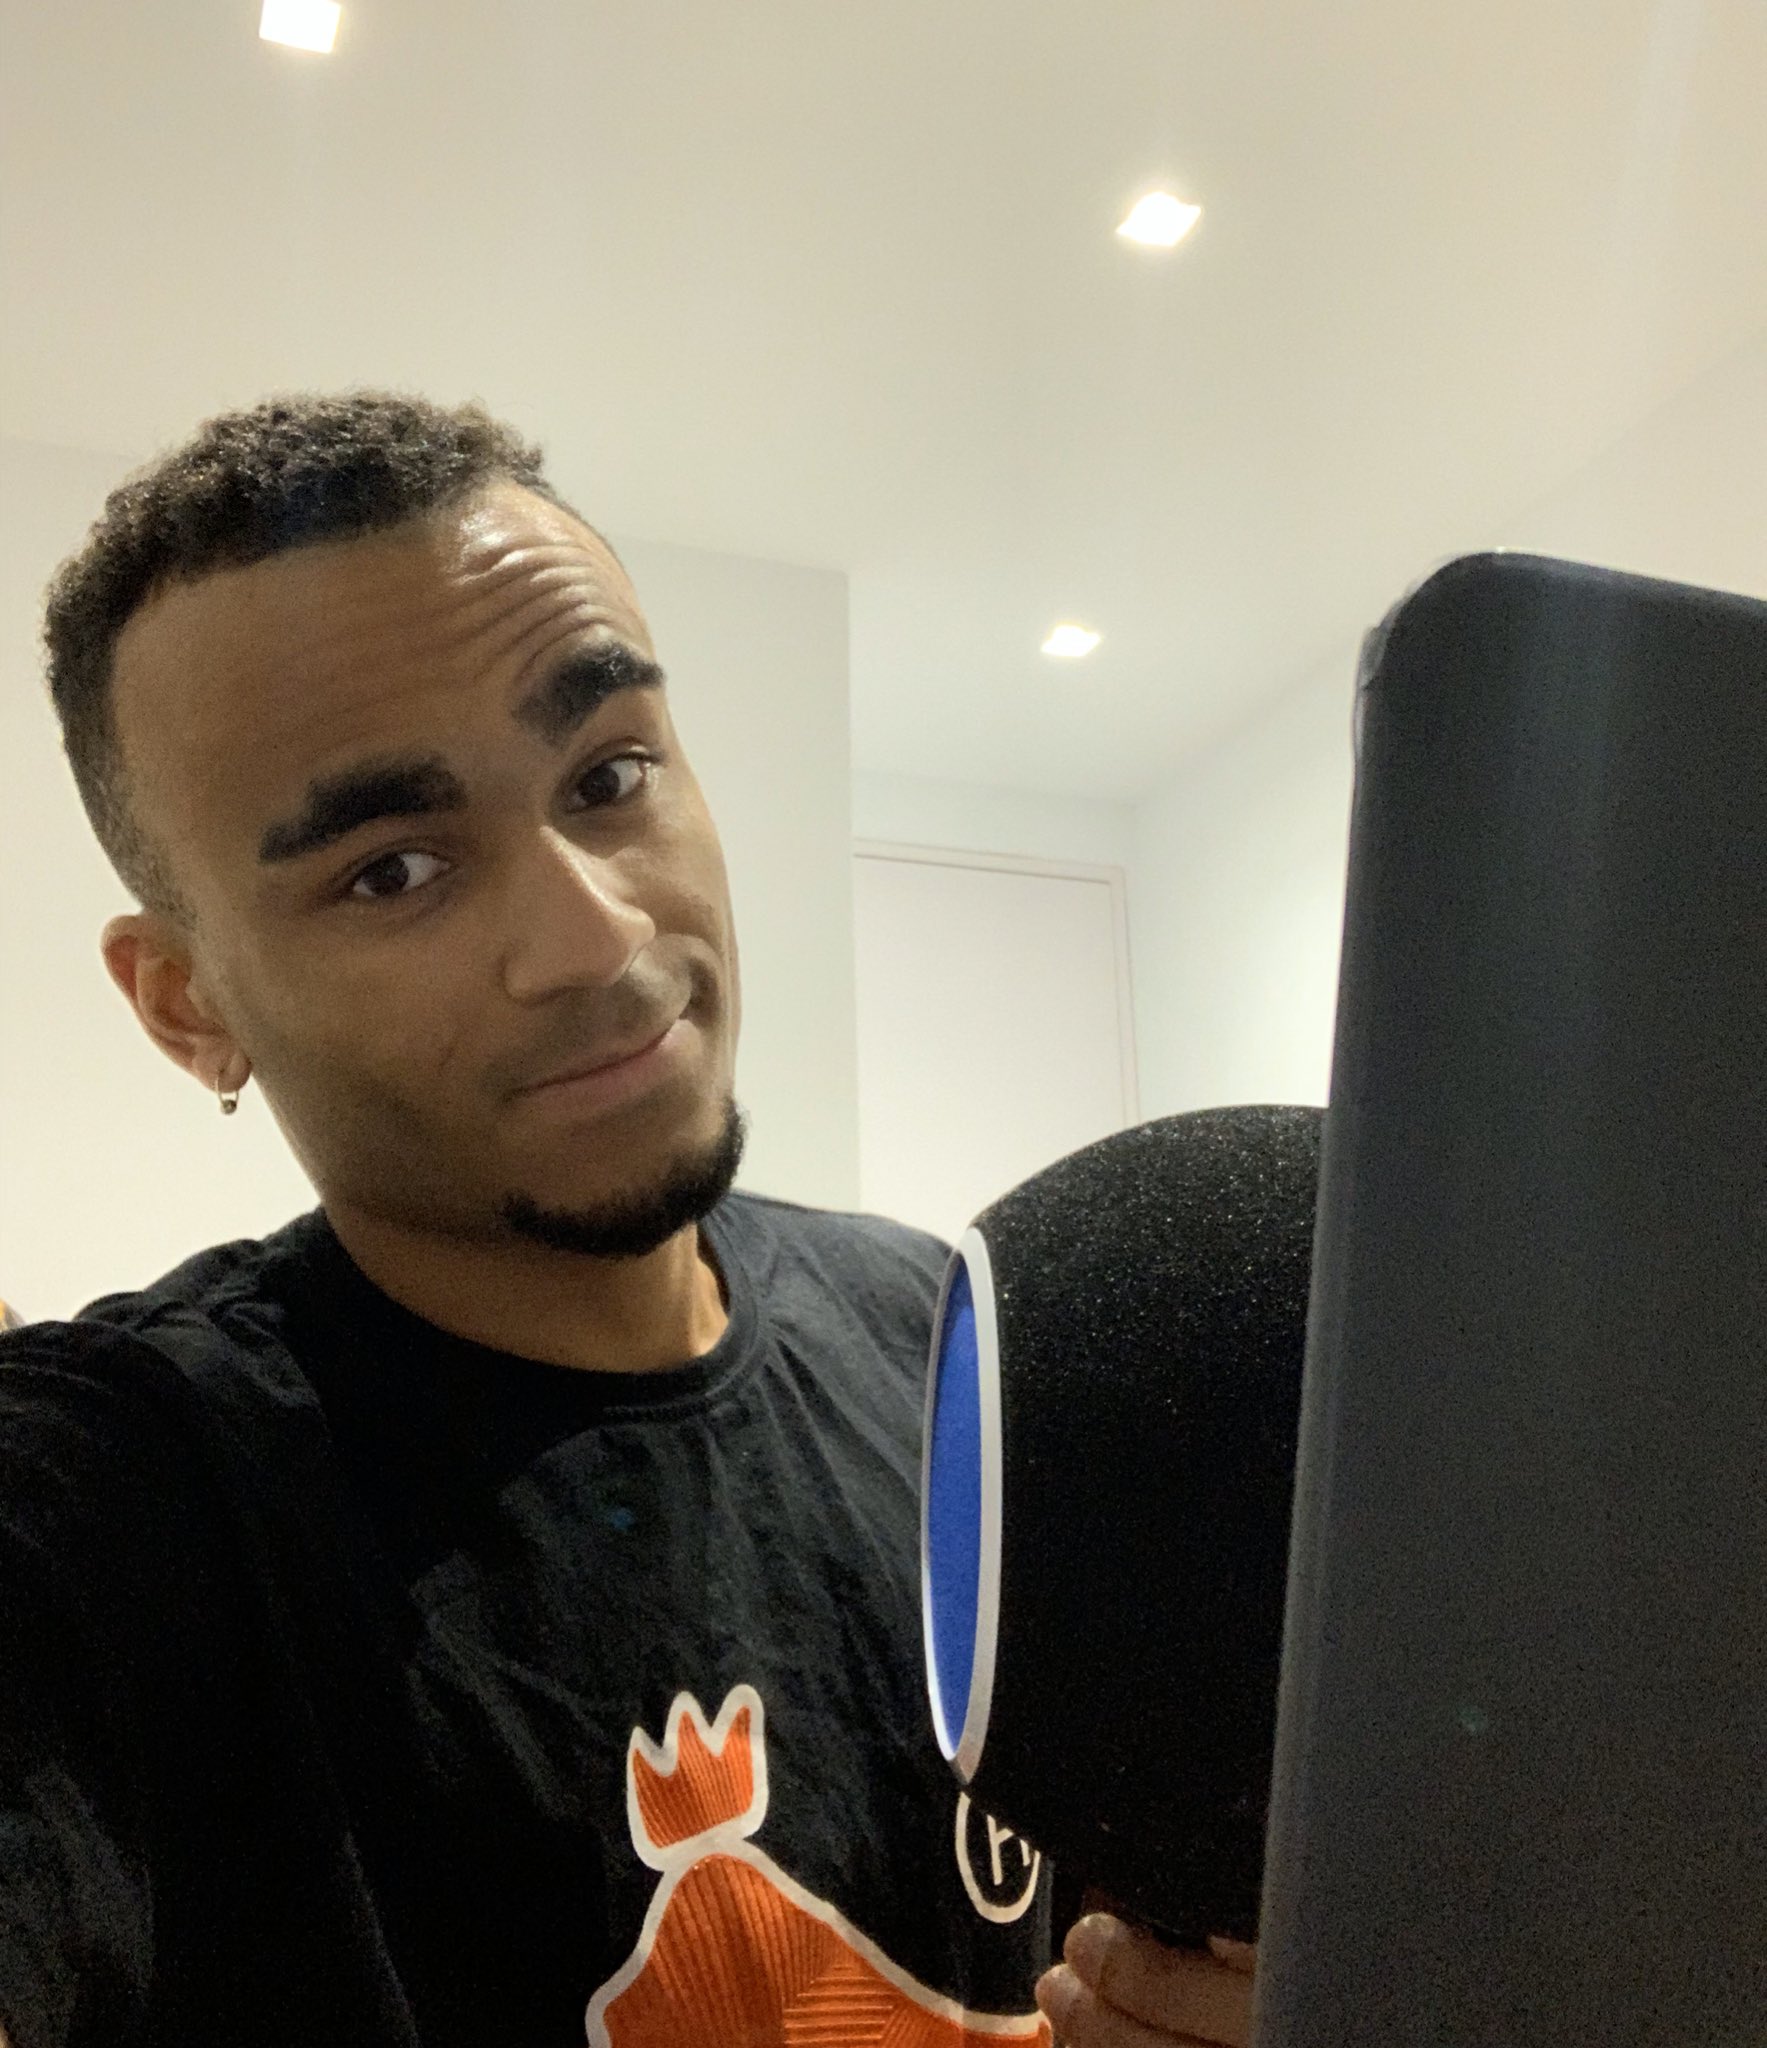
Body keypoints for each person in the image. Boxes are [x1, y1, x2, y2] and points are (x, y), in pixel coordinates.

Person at [0, 391, 1258, 2047]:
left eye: (608, 775)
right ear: (186, 1004)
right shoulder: (118, 1497)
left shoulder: (958, 1346)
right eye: (392, 870)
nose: (596, 939)